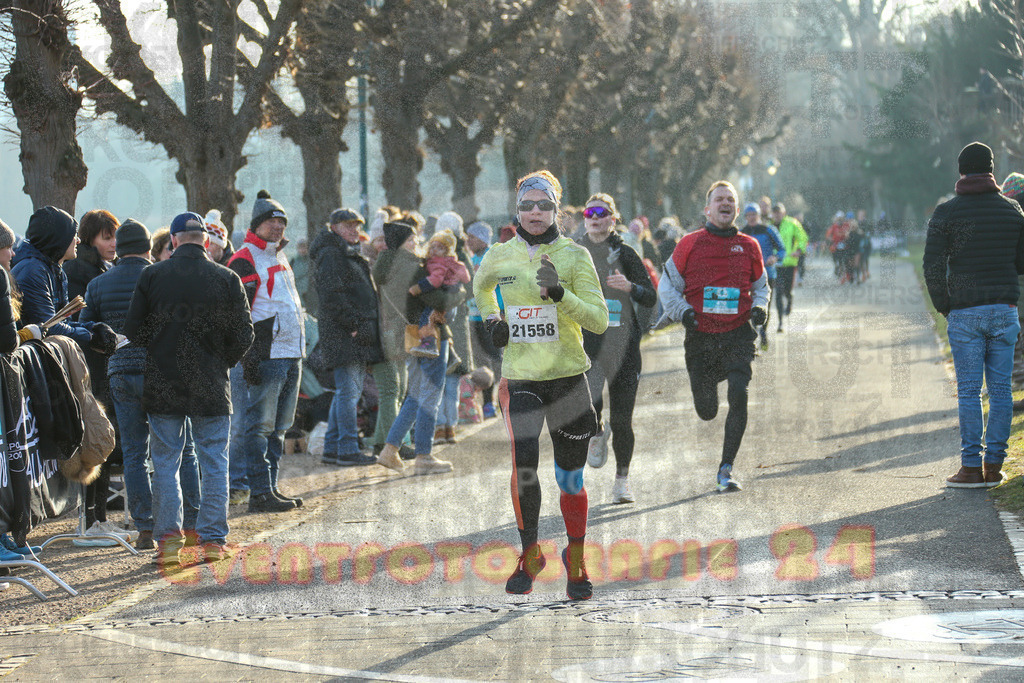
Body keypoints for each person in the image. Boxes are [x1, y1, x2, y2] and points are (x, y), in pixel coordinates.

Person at [473, 170, 608, 600]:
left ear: (557, 210)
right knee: (525, 467)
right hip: (522, 380)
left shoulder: (574, 256)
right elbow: (480, 286)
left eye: (544, 205)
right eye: (527, 205)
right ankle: (529, 553)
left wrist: (559, 297)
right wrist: (493, 320)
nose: (535, 212)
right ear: (517, 211)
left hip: (568, 379)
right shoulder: (499, 254)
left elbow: (599, 319)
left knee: (570, 479)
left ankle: (577, 556)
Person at [123, 211, 254, 566]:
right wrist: (220, 361)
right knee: (214, 460)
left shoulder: (152, 275)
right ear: (207, 241)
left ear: (175, 240)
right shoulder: (227, 278)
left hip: (163, 382)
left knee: (165, 462)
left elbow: (134, 329)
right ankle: (213, 540)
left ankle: (168, 542)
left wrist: (161, 347)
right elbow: (245, 333)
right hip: (210, 384)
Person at [657, 181, 770, 493]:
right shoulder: (690, 244)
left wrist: (760, 308)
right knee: (707, 410)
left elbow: (761, 288)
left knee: (739, 393)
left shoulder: (749, 245)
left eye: (730, 200)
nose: (725, 204)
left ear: (736, 208)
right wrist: (683, 312)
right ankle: (708, 389)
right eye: (719, 199)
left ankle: (726, 468)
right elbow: (667, 287)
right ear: (707, 209)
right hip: (701, 337)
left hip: (737, 335)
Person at [923, 142, 1024, 488]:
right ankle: (994, 467)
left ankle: (970, 468)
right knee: (1000, 391)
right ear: (992, 169)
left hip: (965, 310)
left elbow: (932, 266)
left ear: (962, 171)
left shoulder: (947, 213)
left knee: (969, 391)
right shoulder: (1013, 211)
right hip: (1004, 310)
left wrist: (945, 305)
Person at [82, 219, 166, 550]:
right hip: (158, 371)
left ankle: (144, 528)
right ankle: (170, 522)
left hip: (119, 371)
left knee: (133, 450)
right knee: (166, 449)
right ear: (148, 248)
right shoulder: (161, 278)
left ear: (120, 248)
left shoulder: (98, 284)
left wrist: (111, 348)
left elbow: (86, 330)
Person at [228, 190, 307, 512]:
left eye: (281, 221)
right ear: (257, 224)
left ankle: (270, 487)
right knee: (258, 427)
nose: (277, 226)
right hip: (266, 353)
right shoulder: (244, 257)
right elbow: (238, 312)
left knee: (280, 427)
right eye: (271, 221)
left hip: (292, 352)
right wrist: (248, 356)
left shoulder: (280, 255)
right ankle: (258, 491)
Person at [576, 193, 656, 504]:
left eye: (602, 212)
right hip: (587, 349)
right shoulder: (573, 252)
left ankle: (622, 481)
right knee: (587, 412)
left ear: (613, 218)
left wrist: (631, 287)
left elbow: (650, 295)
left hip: (623, 348)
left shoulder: (627, 253)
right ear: (585, 218)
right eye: (590, 212)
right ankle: (596, 432)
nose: (595, 217)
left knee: (623, 420)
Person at [376, 222, 463, 475]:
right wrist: (459, 291)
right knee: (430, 397)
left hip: (410, 336)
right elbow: (440, 298)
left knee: (414, 395)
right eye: (411, 239)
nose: (416, 243)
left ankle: (390, 450)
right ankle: (424, 455)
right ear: (401, 242)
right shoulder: (411, 268)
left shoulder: (385, 266)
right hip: (431, 336)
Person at [310, 208, 382, 467]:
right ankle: (348, 448)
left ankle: (332, 448)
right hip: (344, 334)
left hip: (347, 333)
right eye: (348, 225)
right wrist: (353, 325)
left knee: (345, 392)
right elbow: (332, 294)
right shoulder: (332, 253)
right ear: (335, 227)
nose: (354, 229)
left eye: (356, 225)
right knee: (348, 393)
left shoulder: (341, 250)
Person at [465, 221, 501, 418]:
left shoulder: (490, 257)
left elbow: (500, 285)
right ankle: (486, 402)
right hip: (472, 316)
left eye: (472, 237)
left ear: (482, 238)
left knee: (494, 358)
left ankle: (493, 400)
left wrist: (500, 310)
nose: (468, 241)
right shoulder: (472, 258)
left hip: (490, 316)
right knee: (480, 360)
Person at [741, 203, 785, 351]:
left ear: (759, 216)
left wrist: (775, 257)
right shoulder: (741, 233)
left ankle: (764, 332)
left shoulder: (768, 230)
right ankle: (754, 334)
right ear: (746, 217)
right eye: (749, 215)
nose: (752, 218)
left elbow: (782, 249)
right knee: (749, 306)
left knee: (764, 305)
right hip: (748, 275)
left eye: (754, 215)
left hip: (767, 273)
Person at [770, 203, 807, 333]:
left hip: (790, 263)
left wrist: (799, 250)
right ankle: (780, 323)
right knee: (778, 293)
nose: (777, 215)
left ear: (784, 213)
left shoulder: (792, 223)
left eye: (779, 212)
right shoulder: (768, 225)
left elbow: (803, 238)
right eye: (774, 212)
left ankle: (790, 299)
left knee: (786, 291)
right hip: (775, 264)